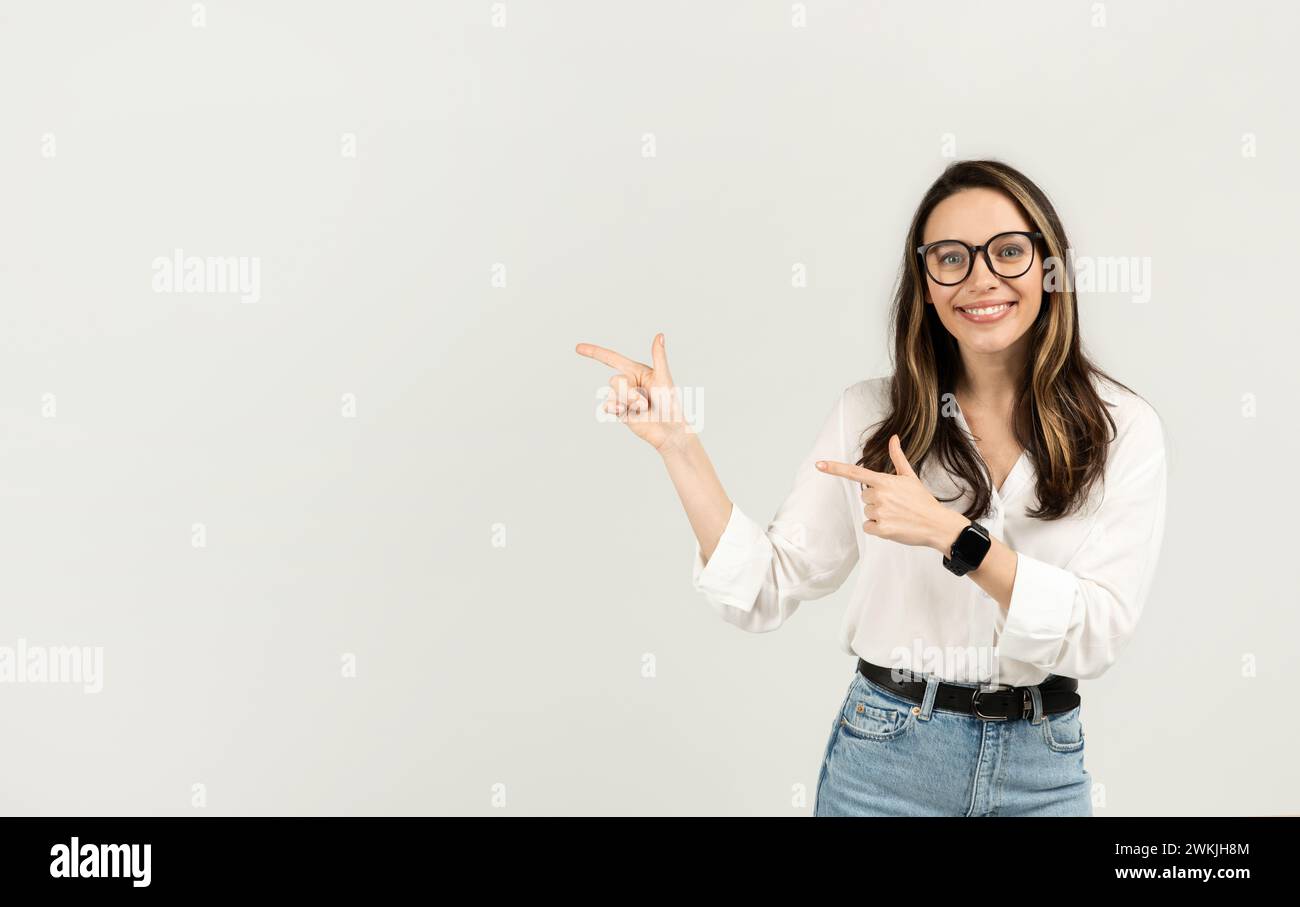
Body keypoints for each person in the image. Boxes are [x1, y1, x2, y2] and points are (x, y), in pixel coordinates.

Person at [574, 159, 1168, 817]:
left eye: (1008, 251)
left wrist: (951, 534)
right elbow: (764, 588)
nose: (981, 278)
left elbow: (1099, 632)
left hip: (1043, 768)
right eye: (952, 258)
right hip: (888, 764)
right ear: (927, 282)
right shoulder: (871, 416)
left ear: (1048, 264)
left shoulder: (1122, 429)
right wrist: (678, 444)